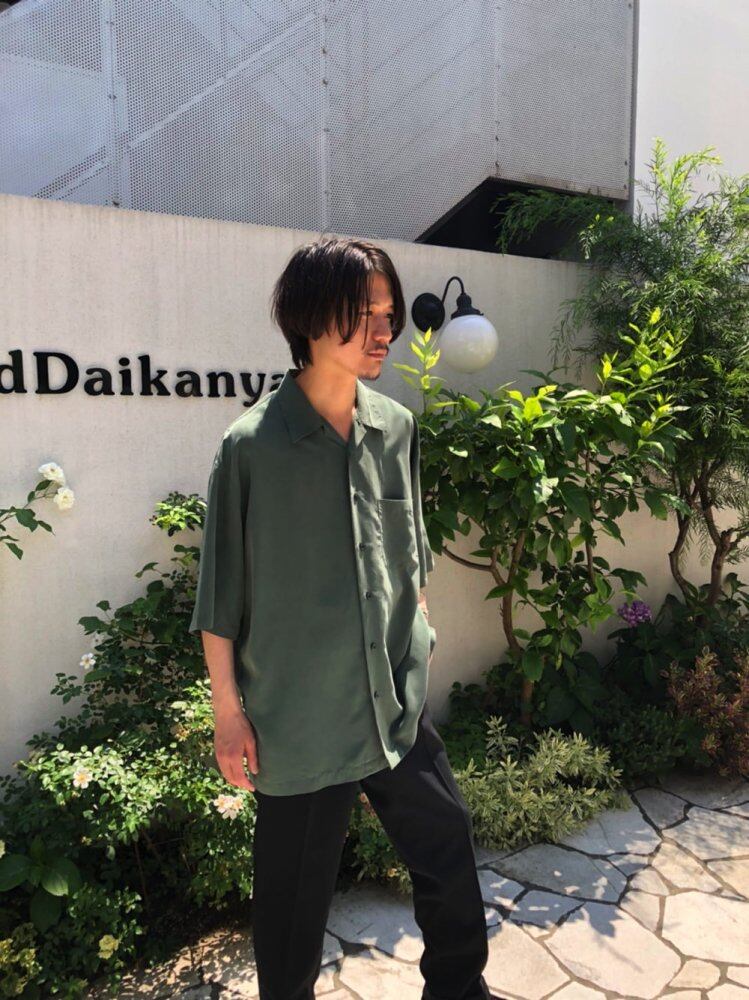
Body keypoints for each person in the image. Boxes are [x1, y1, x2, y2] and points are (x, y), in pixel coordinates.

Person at [189, 236, 496, 1000]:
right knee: (291, 909)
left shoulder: (396, 427)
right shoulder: (252, 447)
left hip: (392, 703)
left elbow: (409, 555)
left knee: (447, 848)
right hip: (299, 719)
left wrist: (418, 630)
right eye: (363, 314)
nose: (382, 331)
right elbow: (220, 596)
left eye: (388, 314)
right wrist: (228, 714)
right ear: (308, 317)